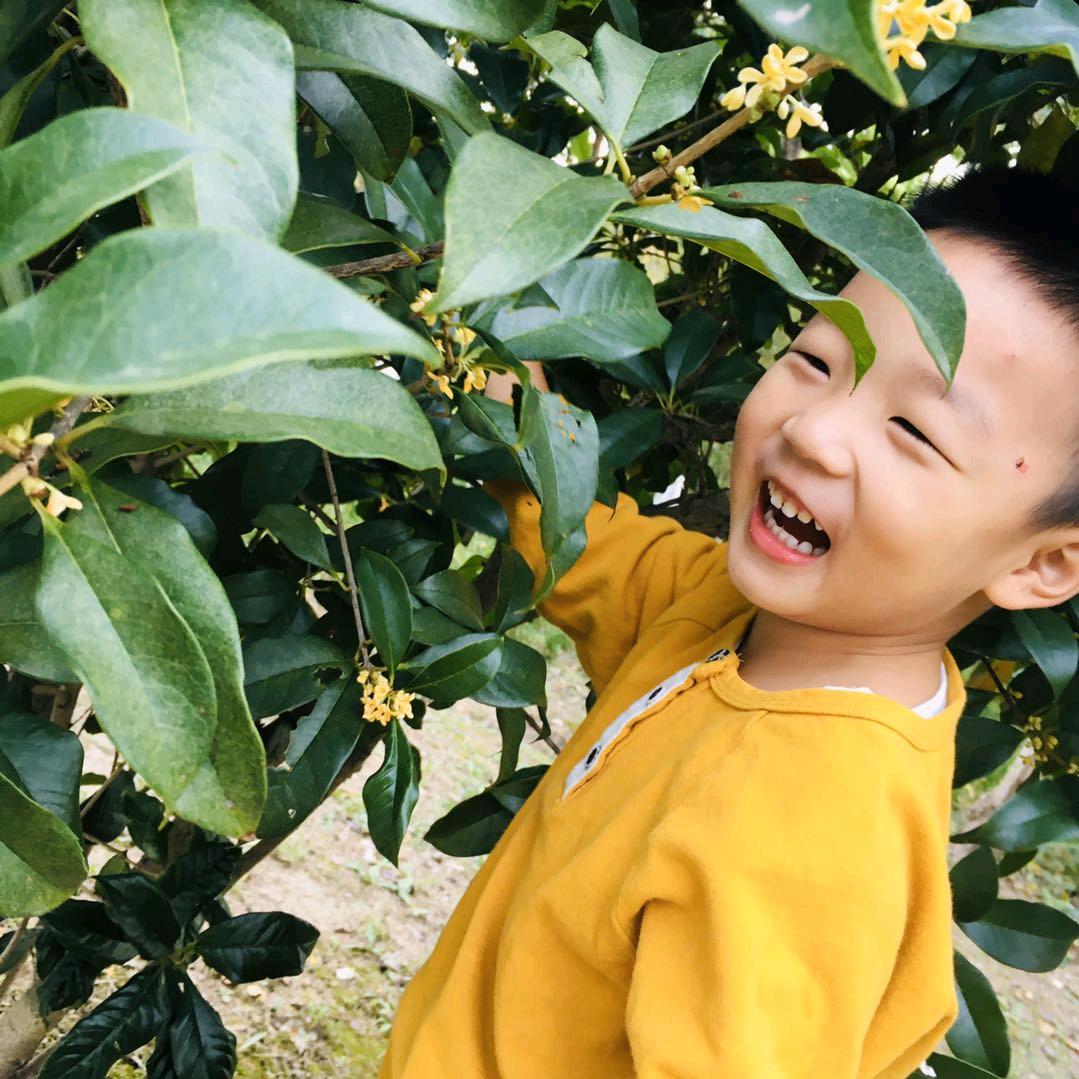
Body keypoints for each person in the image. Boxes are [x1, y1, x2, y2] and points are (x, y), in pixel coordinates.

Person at [378, 166, 1079, 1077]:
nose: (814, 432)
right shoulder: (742, 616)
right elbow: (597, 555)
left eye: (914, 431)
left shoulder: (806, 839)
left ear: (1041, 564)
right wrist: (514, 425)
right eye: (817, 360)